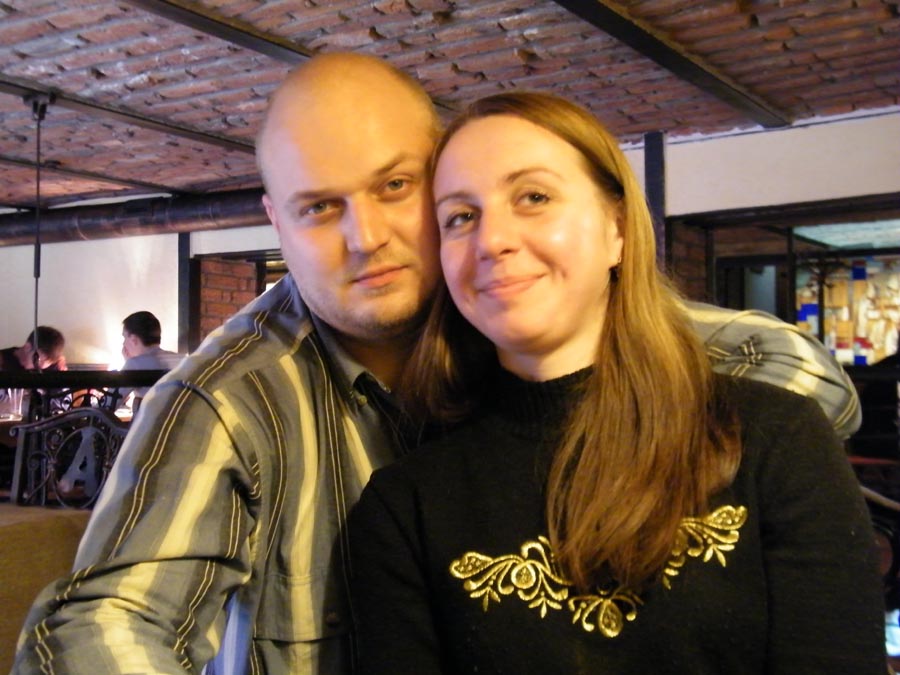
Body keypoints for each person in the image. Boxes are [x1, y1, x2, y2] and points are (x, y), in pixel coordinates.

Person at [10, 53, 863, 675]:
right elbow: (105, 626)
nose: (366, 236)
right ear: (277, 221)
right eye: (319, 207)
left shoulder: (525, 314)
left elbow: (788, 373)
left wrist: (665, 428)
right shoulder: (234, 400)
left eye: (395, 187)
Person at [347, 92, 886, 673]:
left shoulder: (775, 438)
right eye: (461, 217)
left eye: (533, 197)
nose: (492, 239)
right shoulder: (408, 504)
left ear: (618, 229)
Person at [118, 310, 184, 409]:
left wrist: (129, 363)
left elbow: (109, 404)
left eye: (124, 337)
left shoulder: (135, 364)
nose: (123, 343)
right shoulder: (182, 359)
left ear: (133, 339)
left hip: (149, 419)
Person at [0, 326, 67, 416]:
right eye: (39, 360)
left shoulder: (55, 367)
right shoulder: (2, 360)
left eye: (47, 363)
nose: (40, 367)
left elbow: (63, 404)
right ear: (28, 347)